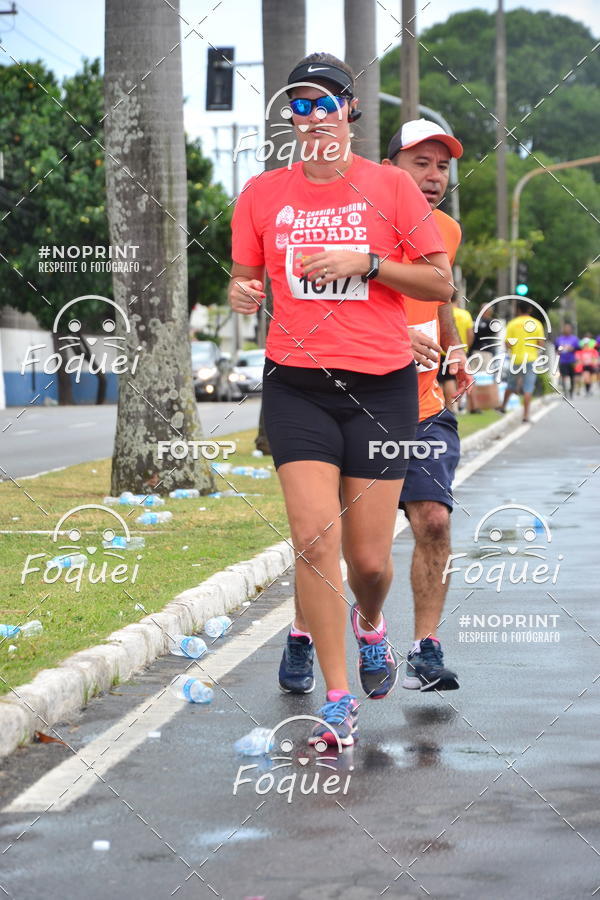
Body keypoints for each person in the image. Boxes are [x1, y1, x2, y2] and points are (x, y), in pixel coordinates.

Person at [229, 54, 452, 747]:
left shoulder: (390, 188)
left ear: (349, 112)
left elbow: (440, 284)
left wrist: (369, 263)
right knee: (314, 540)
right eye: (299, 104)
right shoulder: (262, 194)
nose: (312, 116)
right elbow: (244, 281)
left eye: (325, 102)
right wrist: (240, 295)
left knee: (372, 561)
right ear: (289, 118)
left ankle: (371, 625)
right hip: (296, 383)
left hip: (380, 387)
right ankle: (334, 697)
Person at [278, 117, 468, 699]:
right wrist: (390, 338)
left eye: (442, 167)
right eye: (421, 164)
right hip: (354, 401)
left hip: (425, 405)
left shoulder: (447, 230)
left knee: (433, 519)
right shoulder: (341, 220)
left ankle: (426, 646)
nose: (434, 177)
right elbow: (311, 307)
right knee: (331, 538)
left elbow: (438, 292)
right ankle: (304, 632)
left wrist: (454, 347)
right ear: (389, 169)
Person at [499, 301, 545, 423]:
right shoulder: (537, 323)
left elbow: (507, 343)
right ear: (529, 310)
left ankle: (503, 407)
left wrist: (513, 349)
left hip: (516, 359)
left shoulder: (512, 324)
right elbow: (540, 344)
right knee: (528, 388)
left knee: (510, 384)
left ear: (518, 310)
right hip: (531, 359)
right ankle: (525, 415)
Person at [467, 303, 495, 413]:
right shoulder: (491, 323)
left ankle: (477, 404)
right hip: (484, 353)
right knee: (482, 379)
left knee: (474, 378)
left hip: (475, 352)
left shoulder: (475, 321)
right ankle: (480, 404)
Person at [554, 322, 579, 399]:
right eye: (565, 328)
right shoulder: (559, 339)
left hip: (572, 360)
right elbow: (556, 348)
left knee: (572, 377)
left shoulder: (574, 339)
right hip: (563, 360)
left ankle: (571, 392)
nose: (567, 329)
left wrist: (572, 349)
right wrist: (559, 351)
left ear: (571, 329)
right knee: (564, 376)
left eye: (568, 328)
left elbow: (578, 348)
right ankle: (565, 393)